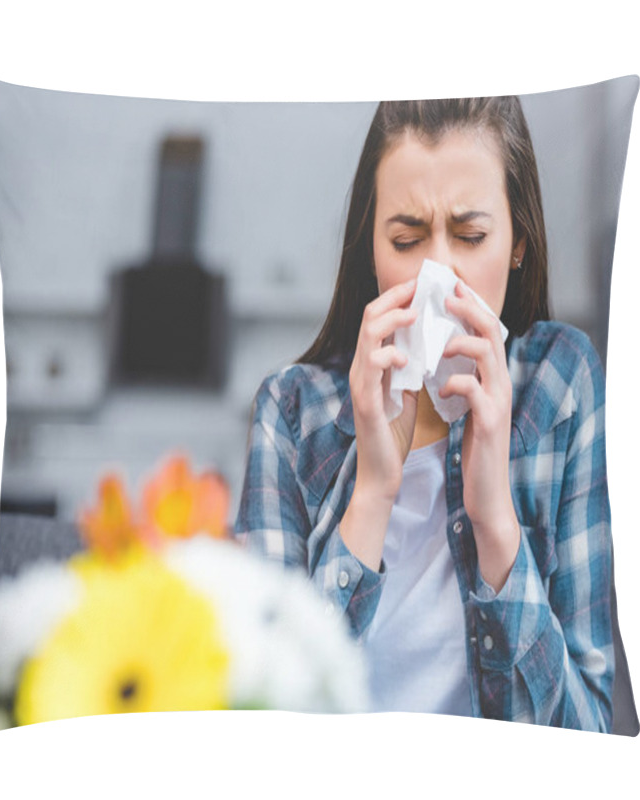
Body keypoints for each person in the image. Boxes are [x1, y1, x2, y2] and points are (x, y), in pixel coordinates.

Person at [234, 97, 614, 731]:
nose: (439, 271)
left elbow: (588, 738)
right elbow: (260, 715)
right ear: (372, 251)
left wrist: (495, 519)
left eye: (472, 236)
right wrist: (374, 492)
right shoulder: (291, 414)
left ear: (518, 242)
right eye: (407, 240)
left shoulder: (560, 383)